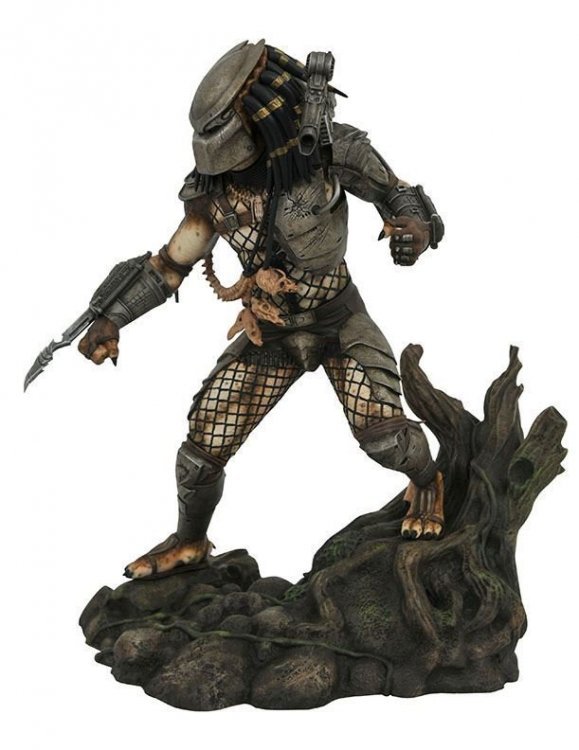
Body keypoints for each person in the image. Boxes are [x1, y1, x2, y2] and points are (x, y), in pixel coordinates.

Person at [77, 41, 446, 579]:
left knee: (386, 437)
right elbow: (172, 263)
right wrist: (113, 317)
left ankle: (429, 483)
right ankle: (190, 543)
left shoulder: (329, 150)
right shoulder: (211, 193)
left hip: (338, 320)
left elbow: (399, 195)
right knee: (201, 451)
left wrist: (414, 230)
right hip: (269, 332)